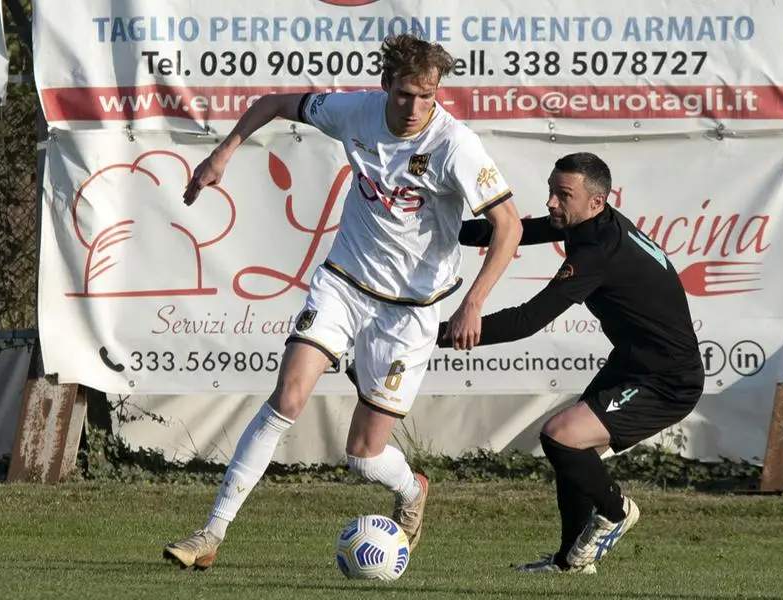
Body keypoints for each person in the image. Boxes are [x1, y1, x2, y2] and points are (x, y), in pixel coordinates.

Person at [162, 32, 523, 570]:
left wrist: (473, 304)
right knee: (287, 397)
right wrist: (224, 152)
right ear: (386, 87)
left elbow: (508, 226)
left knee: (363, 453)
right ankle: (210, 534)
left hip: (411, 310)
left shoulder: (455, 145)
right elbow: (275, 103)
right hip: (344, 282)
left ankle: (412, 488)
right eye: (405, 94)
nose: (415, 108)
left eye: (428, 96)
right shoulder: (357, 110)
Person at [439, 152, 705, 573]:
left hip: (667, 382)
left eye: (563, 195)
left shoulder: (598, 250)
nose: (550, 202)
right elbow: (520, 231)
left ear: (596, 201)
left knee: (561, 436)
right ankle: (570, 562)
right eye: (550, 190)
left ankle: (617, 512)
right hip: (635, 365)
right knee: (573, 451)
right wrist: (446, 230)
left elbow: (527, 321)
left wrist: (433, 336)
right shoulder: (596, 225)